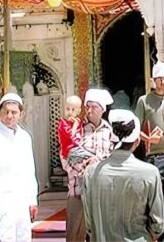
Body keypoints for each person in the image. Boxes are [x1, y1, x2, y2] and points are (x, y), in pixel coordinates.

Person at [83, 109, 164, 242]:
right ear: (137, 141)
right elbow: (158, 224)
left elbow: (89, 224)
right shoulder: (150, 173)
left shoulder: (91, 173)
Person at [0, 93, 38, 242]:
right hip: (0, 204)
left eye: (14, 112)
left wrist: (32, 200)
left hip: (21, 203)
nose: (10, 116)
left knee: (22, 237)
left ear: (20, 114)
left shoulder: (25, 138)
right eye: (6, 112)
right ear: (0, 113)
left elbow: (30, 171)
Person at [64, 88, 115, 241]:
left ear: (102, 109)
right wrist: (83, 167)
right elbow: (66, 156)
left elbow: (113, 159)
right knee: (74, 235)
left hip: (102, 192)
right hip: (78, 190)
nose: (90, 110)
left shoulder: (110, 132)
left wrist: (96, 162)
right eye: (88, 106)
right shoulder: (76, 128)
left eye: (94, 107)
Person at [135, 61, 164, 199]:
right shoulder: (144, 101)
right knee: (156, 195)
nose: (163, 82)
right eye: (160, 78)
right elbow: (136, 128)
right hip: (154, 155)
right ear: (154, 80)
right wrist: (148, 139)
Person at [57, 95, 85, 242]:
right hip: (68, 155)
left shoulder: (79, 124)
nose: (69, 112)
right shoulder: (63, 123)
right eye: (67, 109)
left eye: (73, 109)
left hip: (77, 156)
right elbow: (71, 138)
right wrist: (74, 127)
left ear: (79, 111)